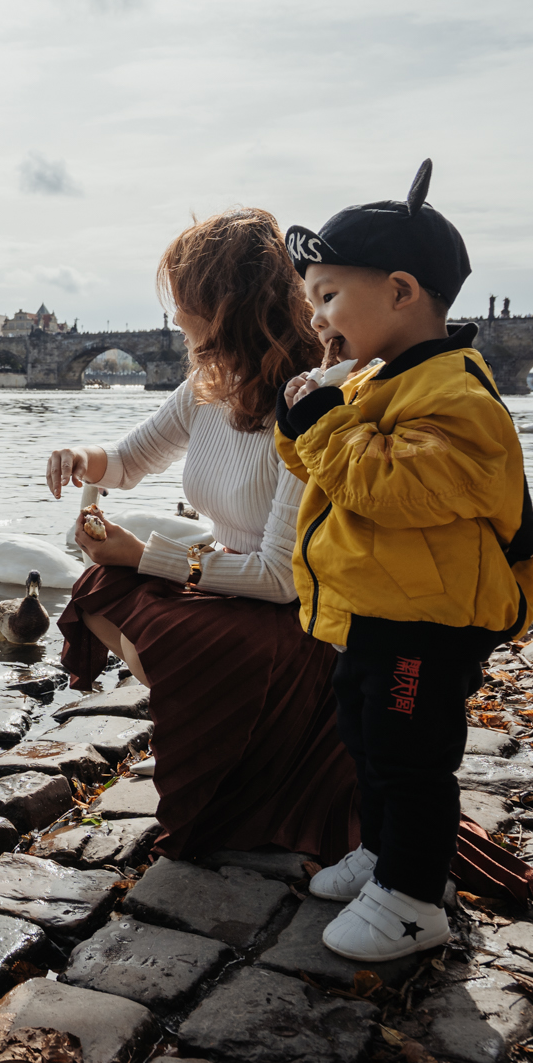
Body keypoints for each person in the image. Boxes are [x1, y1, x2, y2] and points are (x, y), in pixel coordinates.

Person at [277, 159, 533, 963]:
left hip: (430, 619)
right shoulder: (379, 379)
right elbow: (335, 473)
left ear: (400, 292)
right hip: (380, 608)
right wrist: (304, 422)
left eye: (327, 296)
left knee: (413, 755)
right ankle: (384, 855)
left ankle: (417, 895)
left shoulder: (457, 395)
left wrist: (324, 421)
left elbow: (395, 489)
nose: (317, 318)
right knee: (367, 739)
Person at [47, 208, 357, 865]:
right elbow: (129, 460)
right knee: (100, 586)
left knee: (153, 605)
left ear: (230, 302)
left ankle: (245, 749)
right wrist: (81, 456)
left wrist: (145, 554)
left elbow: (280, 579)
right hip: (229, 590)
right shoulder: (211, 384)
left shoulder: (310, 399)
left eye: (188, 294)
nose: (177, 310)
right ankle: (223, 738)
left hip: (295, 622)